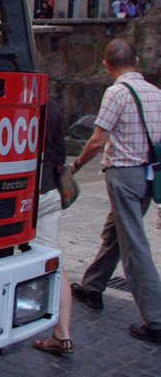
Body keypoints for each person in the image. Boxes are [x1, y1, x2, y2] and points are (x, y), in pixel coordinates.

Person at [70, 39, 161, 344]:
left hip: (124, 174)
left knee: (134, 243)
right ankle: (93, 287)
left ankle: (156, 319)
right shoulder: (156, 93)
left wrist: (77, 166)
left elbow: (97, 141)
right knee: (116, 233)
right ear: (137, 60)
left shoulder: (116, 93)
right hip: (151, 176)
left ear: (107, 66)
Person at [32, 103, 75, 354]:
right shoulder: (52, 108)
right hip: (48, 191)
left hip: (18, 194)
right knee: (53, 260)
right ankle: (62, 334)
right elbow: (60, 153)